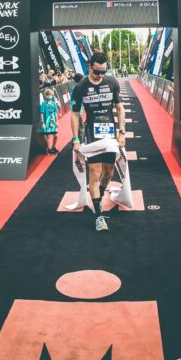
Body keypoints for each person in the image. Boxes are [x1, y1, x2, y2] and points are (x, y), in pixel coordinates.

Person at [71, 53, 126, 232]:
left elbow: (119, 108)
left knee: (108, 174)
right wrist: (76, 139)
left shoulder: (112, 83)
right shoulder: (80, 87)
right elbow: (74, 114)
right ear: (90, 67)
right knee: (95, 173)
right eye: (97, 72)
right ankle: (98, 216)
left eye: (104, 71)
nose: (101, 75)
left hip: (109, 134)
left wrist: (122, 132)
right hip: (91, 133)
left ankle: (99, 199)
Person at [39, 88, 60, 155]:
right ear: (45, 95)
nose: (49, 96)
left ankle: (53, 147)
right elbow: (41, 113)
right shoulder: (43, 104)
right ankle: (48, 149)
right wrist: (43, 123)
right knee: (48, 137)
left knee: (56, 136)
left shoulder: (53, 103)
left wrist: (57, 121)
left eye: (51, 95)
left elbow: (56, 113)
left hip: (53, 122)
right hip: (46, 123)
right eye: (48, 95)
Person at [70, 73, 85, 142]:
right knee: (81, 127)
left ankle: (77, 141)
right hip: (77, 111)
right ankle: (80, 142)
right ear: (81, 79)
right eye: (83, 78)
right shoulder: (78, 88)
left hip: (75, 110)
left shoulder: (75, 87)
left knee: (78, 126)